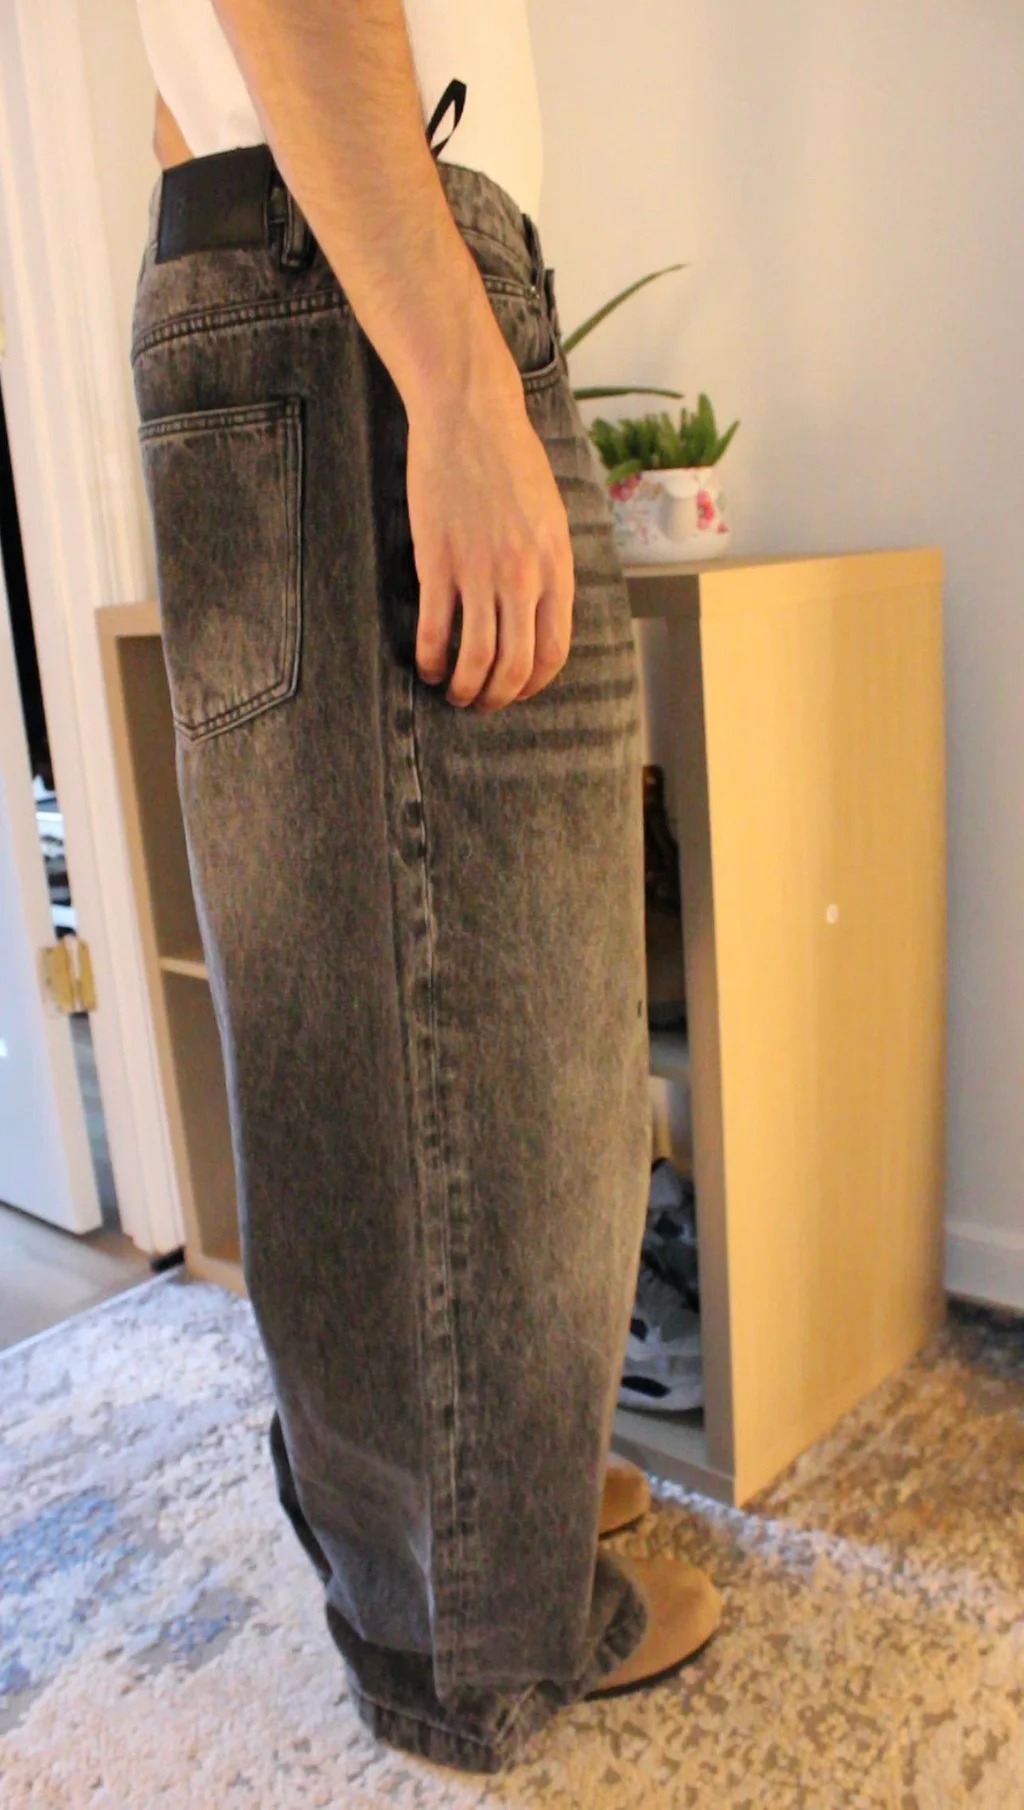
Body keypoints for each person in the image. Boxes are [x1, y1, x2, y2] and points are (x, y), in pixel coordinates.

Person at [131, 0, 722, 1773]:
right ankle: (461, 1629)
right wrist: (455, 381)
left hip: (343, 259)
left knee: (417, 992)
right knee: (480, 1033)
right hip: (377, 294)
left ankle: (470, 1515)